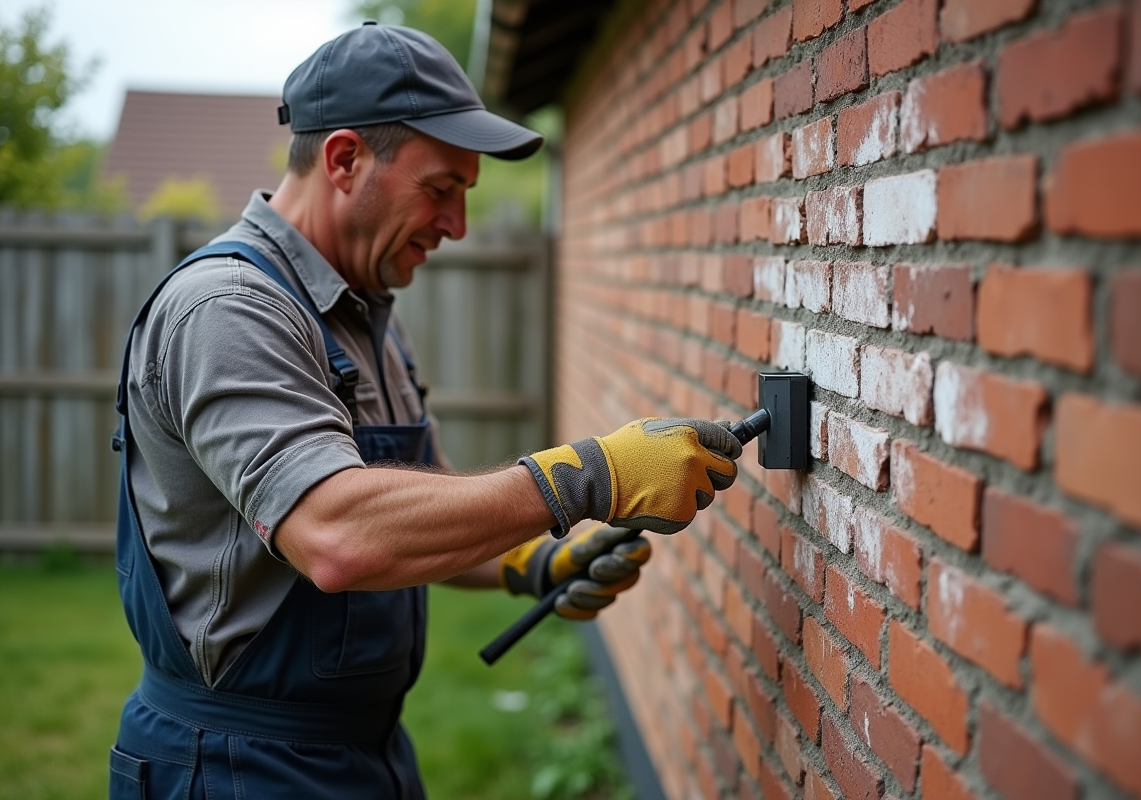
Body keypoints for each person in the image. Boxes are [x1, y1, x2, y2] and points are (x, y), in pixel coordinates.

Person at [107, 22, 743, 800]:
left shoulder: (358, 308)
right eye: (440, 190)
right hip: (239, 765)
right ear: (344, 160)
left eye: (465, 196)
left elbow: (414, 505)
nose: (457, 225)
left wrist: (529, 561)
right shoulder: (229, 311)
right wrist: (589, 477)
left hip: (357, 751)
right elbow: (338, 534)